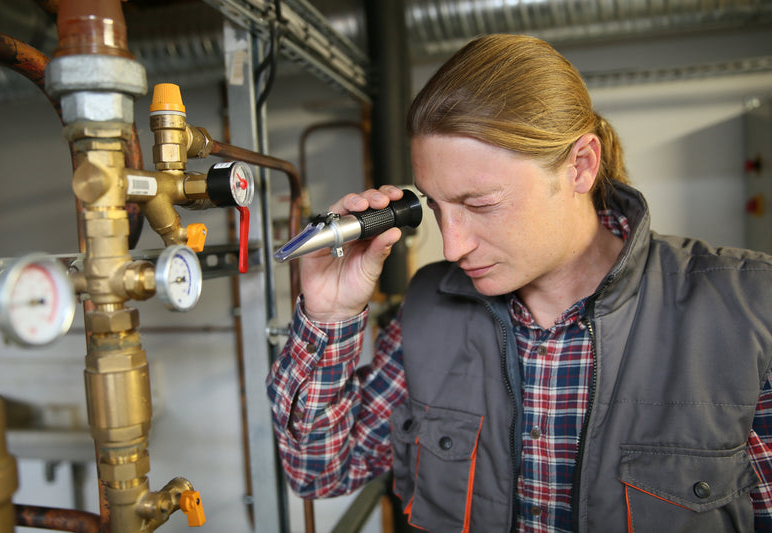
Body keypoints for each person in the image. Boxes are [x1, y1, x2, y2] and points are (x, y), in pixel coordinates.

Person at [266, 33, 772, 532]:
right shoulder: (428, 308)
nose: (454, 246)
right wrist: (328, 317)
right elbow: (318, 473)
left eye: (481, 203)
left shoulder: (749, 309)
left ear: (580, 166)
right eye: (440, 208)